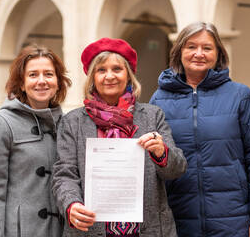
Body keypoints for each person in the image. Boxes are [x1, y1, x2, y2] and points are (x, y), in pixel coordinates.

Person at [150, 21, 250, 237]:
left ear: (218, 53)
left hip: (234, 221)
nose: (199, 53)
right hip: (179, 219)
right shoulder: (159, 99)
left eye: (207, 48)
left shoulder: (239, 95)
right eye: (191, 46)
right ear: (179, 51)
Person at [52, 37, 187, 237]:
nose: (109, 76)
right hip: (91, 230)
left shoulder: (152, 116)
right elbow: (64, 174)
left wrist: (161, 152)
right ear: (92, 78)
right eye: (101, 70)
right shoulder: (73, 122)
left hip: (149, 229)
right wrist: (71, 204)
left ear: (129, 75)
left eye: (117, 69)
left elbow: (177, 170)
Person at [0, 44, 72, 237]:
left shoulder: (66, 123)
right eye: (33, 75)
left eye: (48, 74)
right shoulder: (1, 123)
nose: (41, 81)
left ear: (58, 81)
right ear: (21, 83)